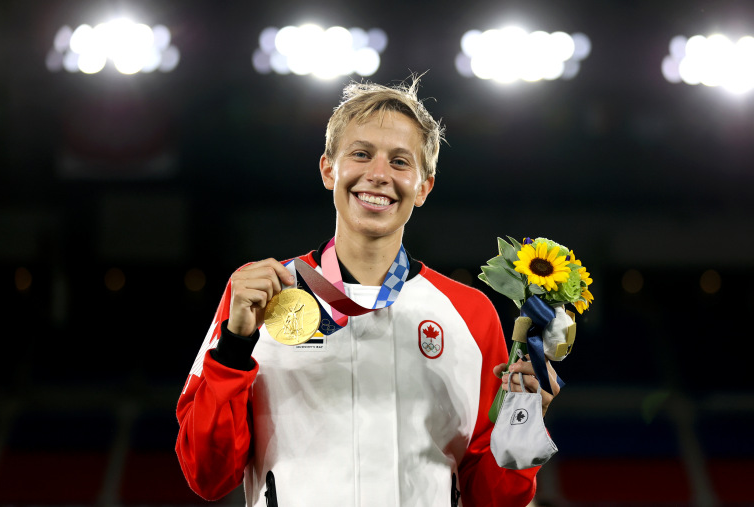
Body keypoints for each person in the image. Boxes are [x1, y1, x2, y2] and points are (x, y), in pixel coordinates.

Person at [175, 77, 560, 506]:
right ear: (328, 169)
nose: (378, 175)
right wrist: (233, 346)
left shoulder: (471, 313)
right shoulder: (260, 294)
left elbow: (494, 501)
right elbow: (206, 475)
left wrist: (522, 421)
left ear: (424, 187)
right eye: (361, 154)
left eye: (400, 162)